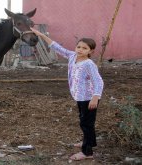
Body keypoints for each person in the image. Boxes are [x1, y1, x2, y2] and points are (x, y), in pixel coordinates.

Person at [31, 28, 104, 161]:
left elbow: (98, 81)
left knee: (86, 124)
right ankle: (90, 142)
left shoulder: (89, 64)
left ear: (91, 51)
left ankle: (87, 152)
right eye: (79, 46)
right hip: (79, 96)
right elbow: (57, 47)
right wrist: (41, 35)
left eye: (84, 48)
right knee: (86, 122)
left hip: (89, 98)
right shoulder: (72, 56)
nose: (80, 50)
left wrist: (96, 97)